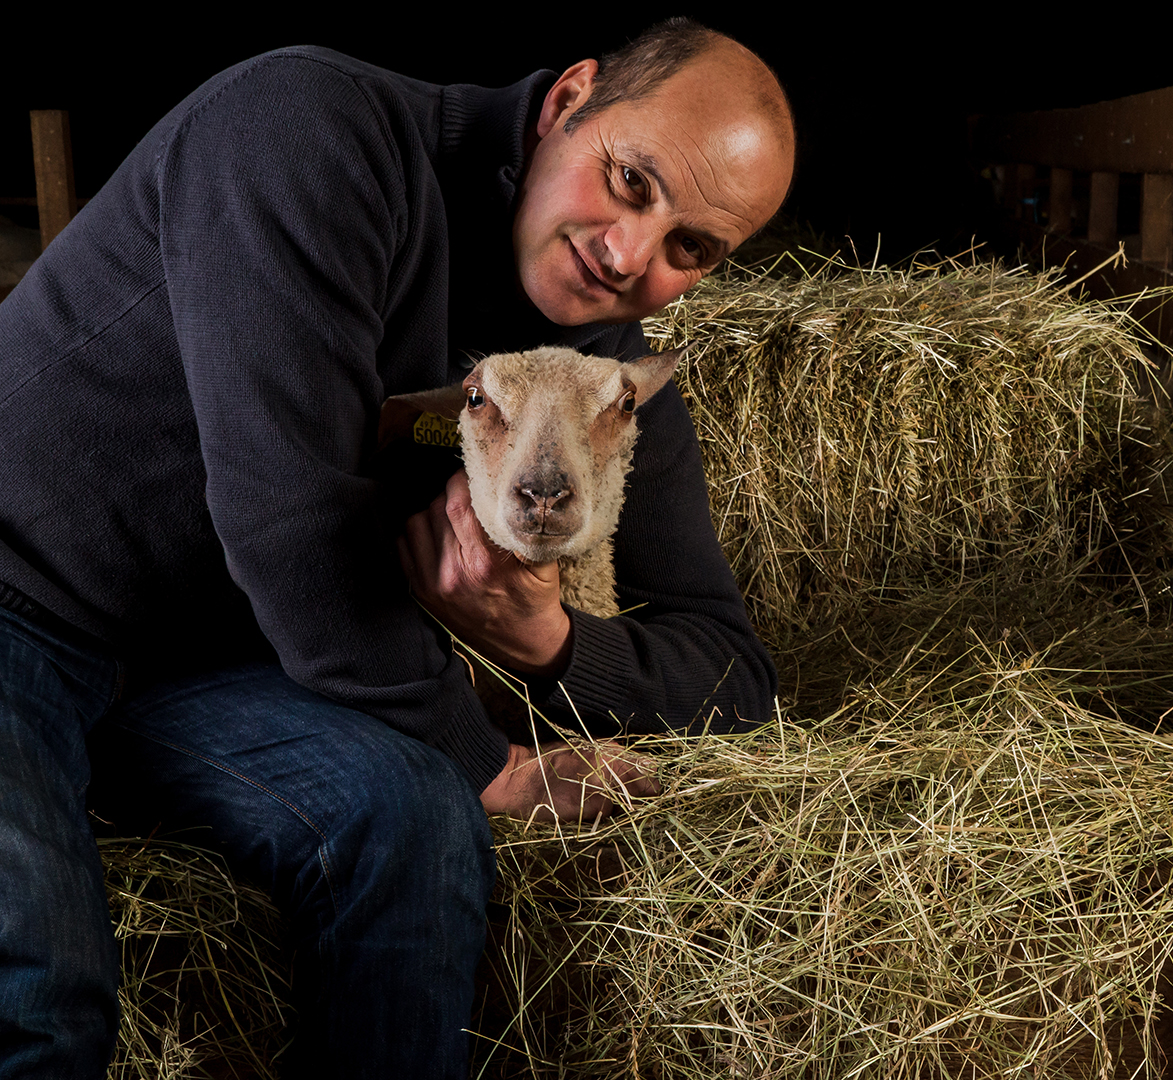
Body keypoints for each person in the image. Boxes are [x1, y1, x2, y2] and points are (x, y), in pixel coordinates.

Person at [0, 18, 794, 1078]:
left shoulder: (604, 377)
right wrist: (485, 757)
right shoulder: (302, 130)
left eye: (691, 248)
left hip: (202, 665)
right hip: (19, 596)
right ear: (568, 101)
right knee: (41, 1001)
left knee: (416, 824)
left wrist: (549, 639)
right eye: (632, 180)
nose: (630, 254)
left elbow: (735, 675)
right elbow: (288, 526)